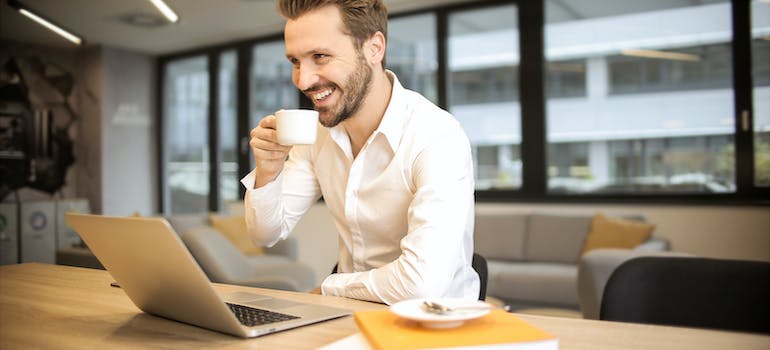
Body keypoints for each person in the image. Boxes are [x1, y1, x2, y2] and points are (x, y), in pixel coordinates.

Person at [241, 0, 478, 305]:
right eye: (296, 62)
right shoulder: (318, 136)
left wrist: (331, 287)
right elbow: (266, 234)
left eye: (320, 57)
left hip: (433, 323)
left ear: (374, 48)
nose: (303, 80)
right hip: (350, 316)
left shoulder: (437, 136)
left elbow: (422, 283)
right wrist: (268, 172)